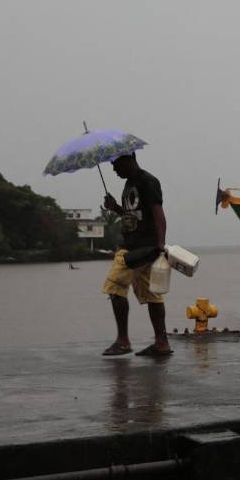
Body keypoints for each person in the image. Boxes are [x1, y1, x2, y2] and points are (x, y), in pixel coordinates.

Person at [100, 153, 171, 357]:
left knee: (115, 287)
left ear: (128, 159)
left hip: (139, 248)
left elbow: (158, 214)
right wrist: (115, 208)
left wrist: (161, 246)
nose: (114, 169)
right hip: (137, 245)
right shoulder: (129, 184)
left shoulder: (148, 181)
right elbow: (133, 216)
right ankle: (161, 343)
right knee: (152, 294)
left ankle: (123, 341)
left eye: (116, 164)